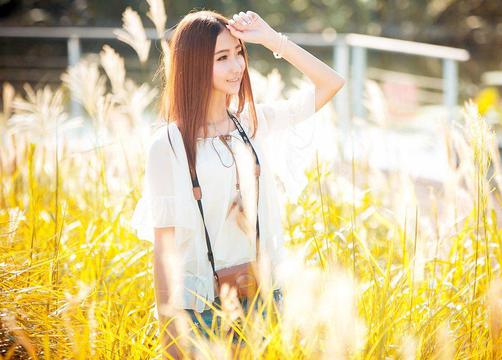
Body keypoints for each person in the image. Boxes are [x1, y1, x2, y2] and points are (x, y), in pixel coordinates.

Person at [131, 9, 345, 359]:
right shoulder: (167, 145)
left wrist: (271, 39)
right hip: (200, 311)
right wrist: (168, 332)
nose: (237, 67)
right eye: (222, 58)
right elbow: (164, 248)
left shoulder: (252, 123)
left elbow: (331, 82)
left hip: (263, 298)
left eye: (239, 53)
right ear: (195, 64)